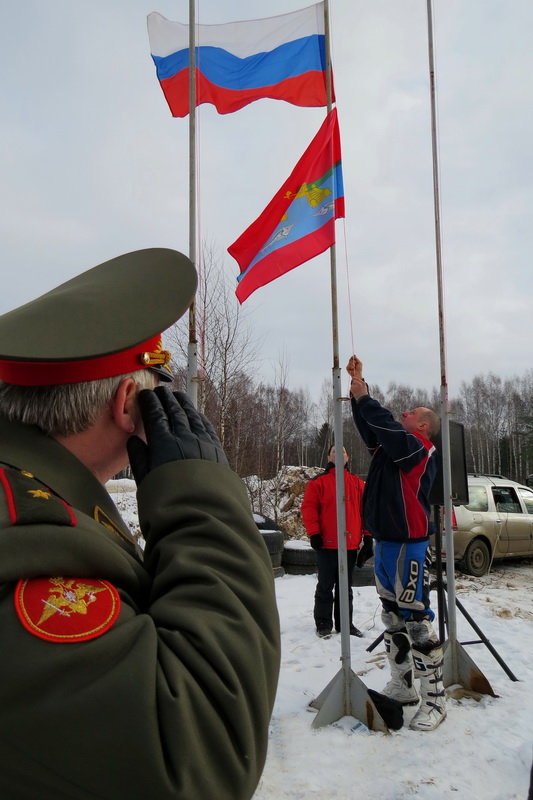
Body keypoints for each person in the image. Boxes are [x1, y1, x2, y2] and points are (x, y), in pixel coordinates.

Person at [0, 248, 281, 800]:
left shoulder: (35, 499)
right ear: (129, 404)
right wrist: (202, 499)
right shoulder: (28, 535)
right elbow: (202, 745)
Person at [346, 354, 446, 732]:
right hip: (386, 539)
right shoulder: (394, 446)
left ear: (422, 425)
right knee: (391, 614)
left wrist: (365, 395)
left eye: (409, 412)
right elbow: (373, 432)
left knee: (416, 618)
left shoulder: (418, 447)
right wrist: (359, 393)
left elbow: (385, 426)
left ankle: (435, 699)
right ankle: (402, 685)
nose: (402, 413)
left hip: (409, 543)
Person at [301, 444, 366, 638]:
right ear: (329, 456)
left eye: (343, 451)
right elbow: (309, 509)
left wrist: (368, 538)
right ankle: (323, 623)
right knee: (325, 585)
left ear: (348, 457)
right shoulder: (317, 483)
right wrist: (314, 533)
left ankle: (345, 624)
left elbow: (367, 511)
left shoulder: (358, 484)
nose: (340, 454)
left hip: (350, 544)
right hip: (327, 544)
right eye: (335, 451)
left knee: (345, 587)